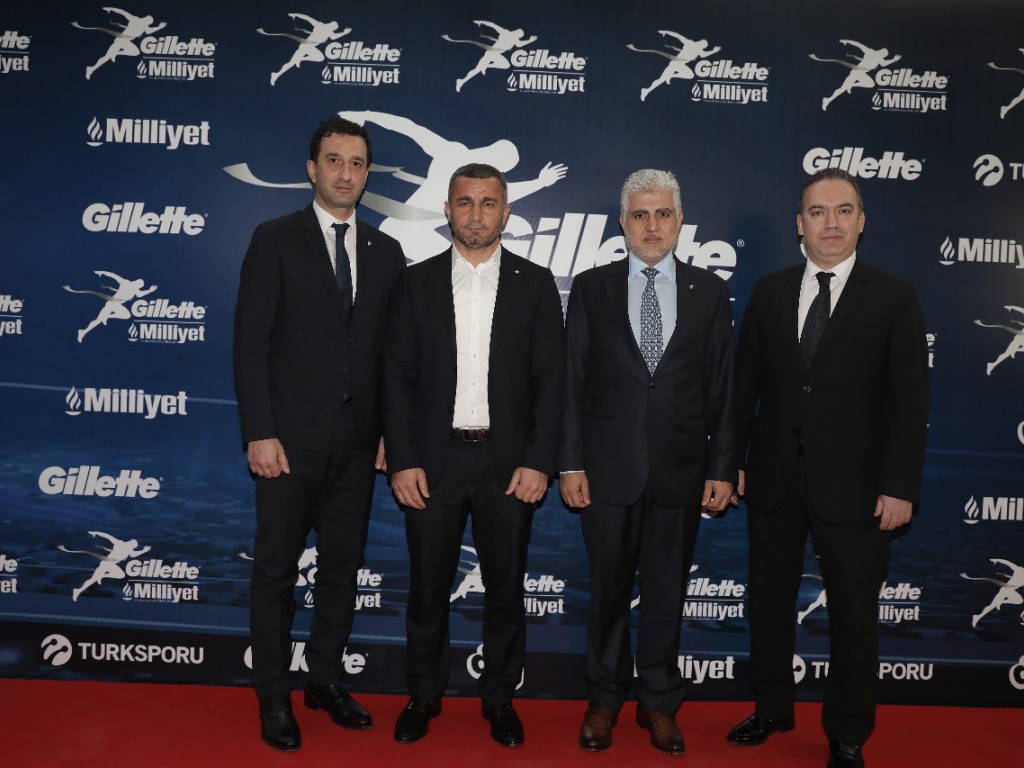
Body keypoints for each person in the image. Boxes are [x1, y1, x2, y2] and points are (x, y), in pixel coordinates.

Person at [727, 168, 928, 768]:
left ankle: (847, 732)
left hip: (859, 488)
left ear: (861, 221)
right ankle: (772, 707)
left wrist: (899, 485)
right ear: (800, 223)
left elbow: (909, 402)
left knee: (853, 616)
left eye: (843, 211)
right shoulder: (769, 292)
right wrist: (731, 461)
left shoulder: (894, 296)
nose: (831, 223)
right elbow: (743, 388)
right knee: (768, 604)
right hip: (773, 480)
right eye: (818, 212)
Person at [233, 116, 405, 752]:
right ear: (312, 169)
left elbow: (392, 355)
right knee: (276, 572)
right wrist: (260, 431)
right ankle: (274, 694)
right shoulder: (275, 239)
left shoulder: (386, 252)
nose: (345, 173)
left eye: (356, 163)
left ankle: (324, 680)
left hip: (357, 444)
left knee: (341, 568)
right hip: (287, 443)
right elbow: (251, 345)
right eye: (334, 160)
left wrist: (390, 433)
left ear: (367, 174)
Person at [382, 163, 563, 748]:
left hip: (508, 466)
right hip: (432, 462)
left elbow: (551, 381)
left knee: (506, 591)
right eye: (466, 202)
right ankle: (423, 693)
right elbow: (396, 375)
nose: (477, 214)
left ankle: (500, 698)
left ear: (506, 211)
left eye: (488, 203)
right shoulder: (416, 283)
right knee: (427, 587)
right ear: (448, 210)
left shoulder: (536, 284)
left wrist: (539, 461)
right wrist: (403, 457)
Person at [560, 169, 737, 756]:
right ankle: (604, 700)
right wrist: (569, 463)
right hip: (606, 470)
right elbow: (572, 383)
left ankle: (659, 703)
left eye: (663, 214)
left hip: (681, 471)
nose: (652, 226)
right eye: (640, 215)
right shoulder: (592, 288)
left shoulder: (710, 292)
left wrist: (722, 466)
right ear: (623, 223)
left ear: (679, 221)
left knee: (666, 594)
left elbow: (724, 390)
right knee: (608, 592)